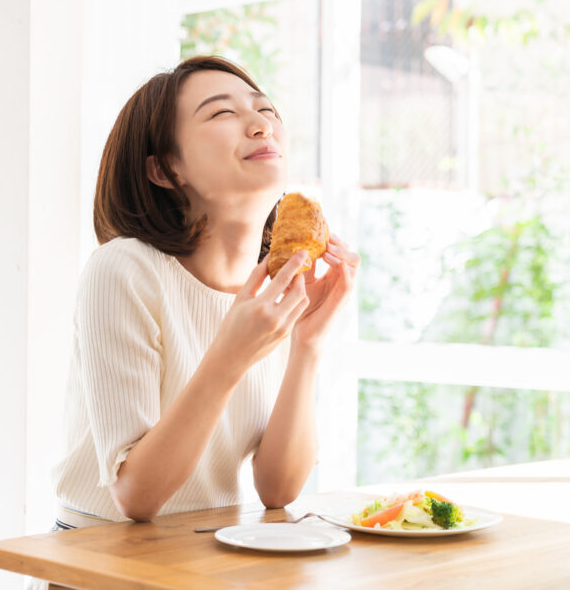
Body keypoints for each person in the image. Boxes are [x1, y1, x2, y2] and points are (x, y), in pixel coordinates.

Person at [50, 55, 360, 529]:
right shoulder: (125, 269)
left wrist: (306, 345)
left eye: (266, 109)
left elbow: (277, 490)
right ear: (166, 170)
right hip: (100, 562)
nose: (260, 125)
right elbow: (135, 495)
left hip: (209, 558)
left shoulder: (271, 290)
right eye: (222, 113)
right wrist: (230, 355)